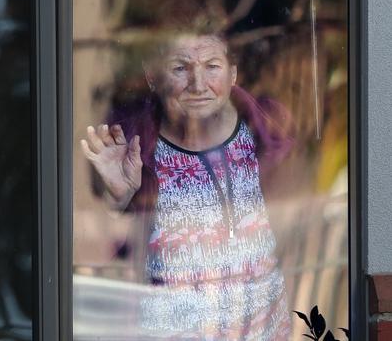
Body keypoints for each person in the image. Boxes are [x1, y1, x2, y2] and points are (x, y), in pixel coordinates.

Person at [80, 28, 292, 340]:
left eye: (212, 67)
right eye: (180, 68)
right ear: (154, 77)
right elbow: (105, 237)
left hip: (262, 325)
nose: (198, 84)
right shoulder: (138, 146)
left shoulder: (263, 128)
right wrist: (119, 197)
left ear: (233, 74)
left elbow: (297, 210)